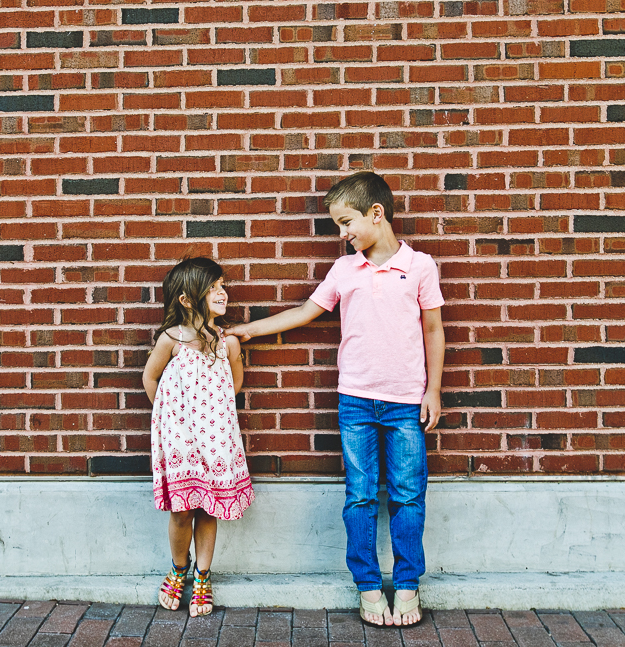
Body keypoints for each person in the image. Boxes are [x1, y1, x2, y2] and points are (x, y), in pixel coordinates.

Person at [227, 171, 445, 627]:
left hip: (405, 401)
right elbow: (307, 312)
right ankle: (368, 587)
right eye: (338, 227)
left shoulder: (420, 266)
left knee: (408, 495)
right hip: (356, 403)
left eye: (346, 223)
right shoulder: (345, 270)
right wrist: (248, 329)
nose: (342, 235)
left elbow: (432, 329)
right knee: (360, 496)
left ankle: (407, 586)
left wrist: (433, 389)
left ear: (376, 214)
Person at [142, 257, 254, 617]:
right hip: (181, 441)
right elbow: (150, 378)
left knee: (209, 509)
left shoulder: (228, 343)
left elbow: (233, 386)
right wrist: (167, 416)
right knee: (182, 510)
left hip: (216, 439)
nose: (222, 293)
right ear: (187, 299)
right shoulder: (171, 340)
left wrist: (215, 414)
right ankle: (179, 569)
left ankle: (203, 576)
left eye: (223, 285)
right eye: (214, 287)